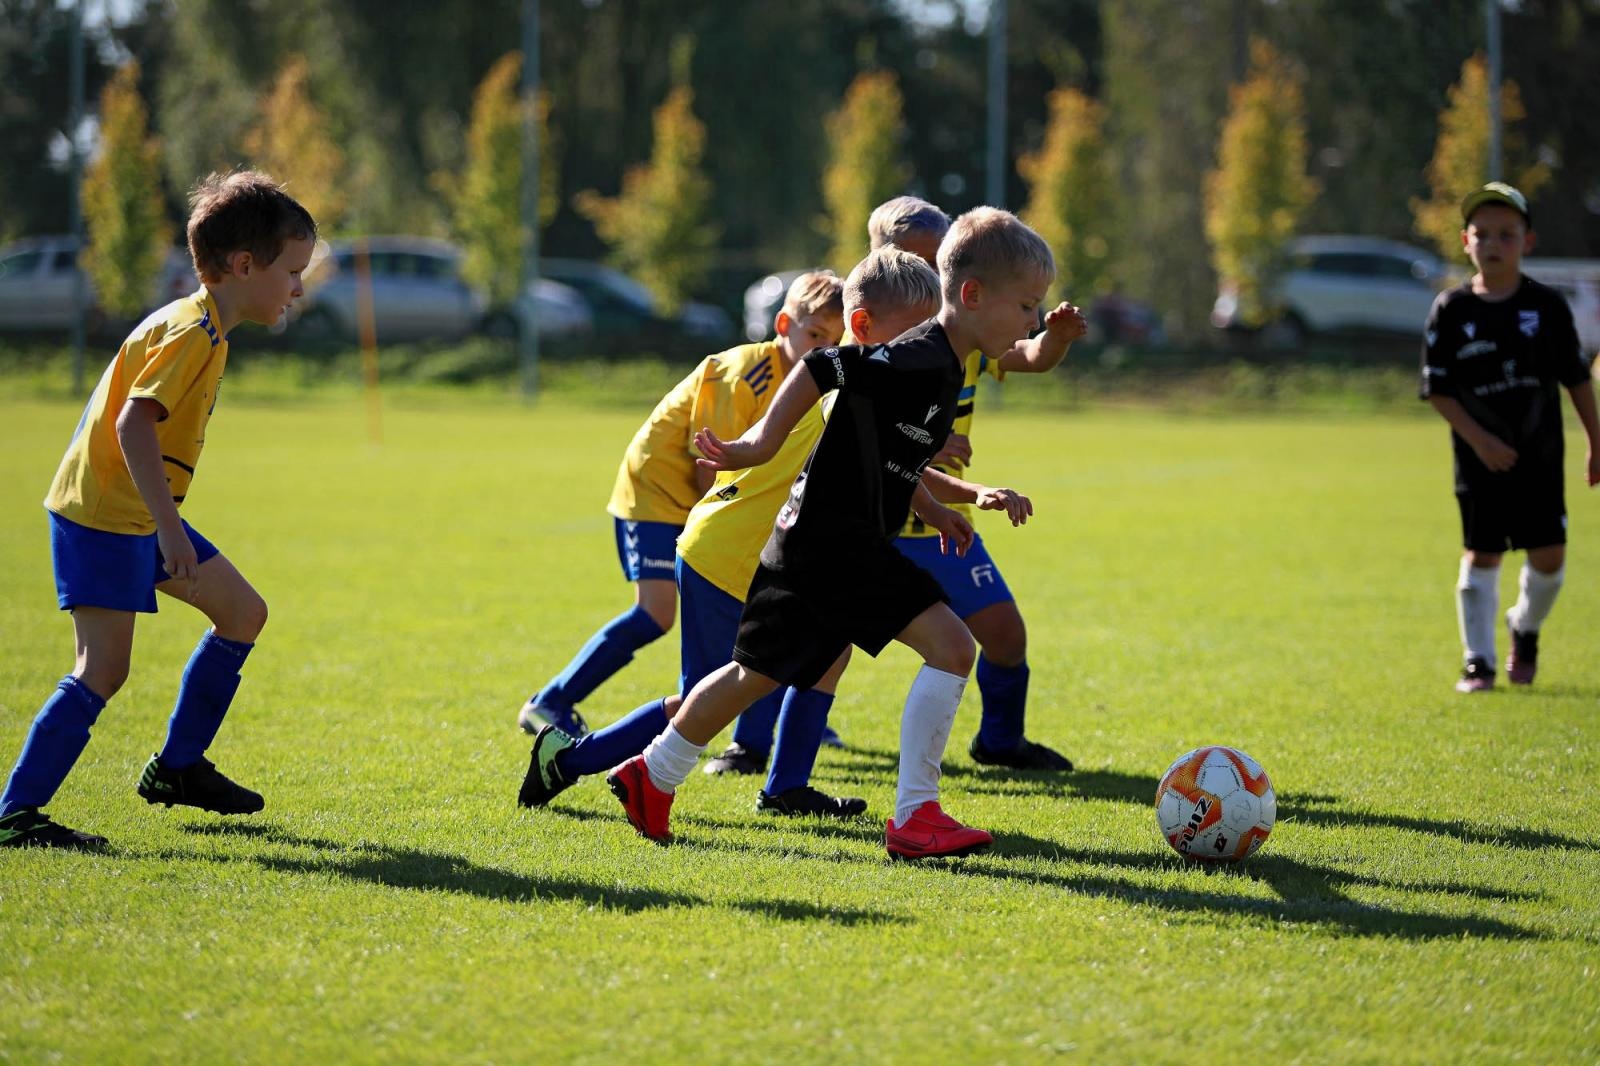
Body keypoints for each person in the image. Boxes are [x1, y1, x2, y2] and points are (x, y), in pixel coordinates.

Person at [606, 207, 1077, 859]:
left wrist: (937, 511)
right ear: (972, 295)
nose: (1032, 321)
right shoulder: (922, 355)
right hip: (834, 543)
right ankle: (917, 817)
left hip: (820, 541)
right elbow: (828, 367)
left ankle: (650, 775)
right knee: (951, 646)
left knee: (754, 675)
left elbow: (890, 449)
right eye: (1027, 305)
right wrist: (758, 441)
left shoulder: (948, 363)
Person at [519, 247, 951, 819]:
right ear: (864, 326)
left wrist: (949, 501)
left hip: (785, 557)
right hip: (725, 553)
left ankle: (785, 788)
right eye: (913, 329)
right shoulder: (846, 379)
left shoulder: (873, 380)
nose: (921, 341)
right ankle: (569, 759)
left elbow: (890, 464)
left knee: (826, 657)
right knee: (706, 696)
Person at [708, 192, 1081, 776]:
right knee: (812, 653)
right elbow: (875, 447)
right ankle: (756, 755)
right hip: (870, 523)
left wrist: (1053, 336)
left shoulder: (976, 341)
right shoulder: (890, 353)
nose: (935, 278)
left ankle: (998, 744)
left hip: (933, 519)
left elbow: (1030, 357)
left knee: (1000, 634)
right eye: (923, 263)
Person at [0, 171, 317, 850]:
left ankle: (177, 769)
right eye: (292, 270)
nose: (298, 286)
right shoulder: (192, 333)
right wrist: (169, 529)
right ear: (242, 265)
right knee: (103, 670)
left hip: (136, 515)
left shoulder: (206, 327)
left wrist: (163, 523)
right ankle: (16, 815)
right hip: (107, 517)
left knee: (242, 613)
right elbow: (134, 427)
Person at [515, 273, 844, 737]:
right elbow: (710, 465)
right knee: (657, 613)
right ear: (784, 323)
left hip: (707, 505)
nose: (822, 350)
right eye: (815, 335)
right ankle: (551, 702)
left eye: (834, 340)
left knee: (752, 611)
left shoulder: (809, 383)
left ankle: (775, 723)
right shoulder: (745, 374)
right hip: (660, 492)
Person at [1419, 182, 1599, 693]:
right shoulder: (1451, 311)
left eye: (1507, 234)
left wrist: (1596, 441)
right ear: (1465, 241)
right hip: (1479, 459)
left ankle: (1525, 625)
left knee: (1550, 558)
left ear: (1527, 241)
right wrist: (1480, 441)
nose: (1494, 243)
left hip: (1540, 455)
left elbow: (1576, 379)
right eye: (1483, 234)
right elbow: (1438, 389)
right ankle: (1478, 660)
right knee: (1482, 554)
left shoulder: (1546, 308)